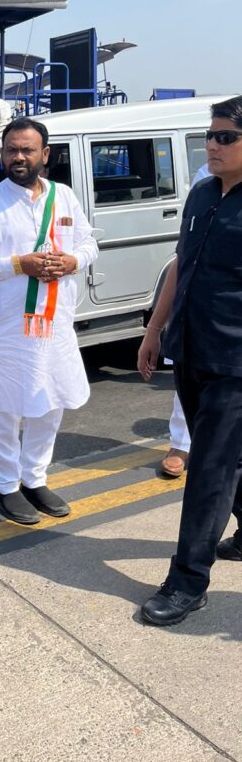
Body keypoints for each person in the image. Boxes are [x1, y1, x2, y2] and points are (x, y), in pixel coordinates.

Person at [0, 118, 99, 525]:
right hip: (6, 330)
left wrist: (74, 260)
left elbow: (90, 242)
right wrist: (19, 264)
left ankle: (34, 478)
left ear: (45, 155)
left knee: (50, 403)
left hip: (55, 326)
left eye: (26, 150)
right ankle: (6, 487)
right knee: (7, 410)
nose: (18, 157)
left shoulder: (64, 197)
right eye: (11, 151)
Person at [137, 95, 242, 625]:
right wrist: (155, 330)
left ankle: (187, 581)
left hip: (236, 364)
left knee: (209, 470)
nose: (213, 145)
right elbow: (182, 263)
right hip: (190, 348)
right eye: (211, 134)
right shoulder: (202, 193)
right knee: (221, 457)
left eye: (226, 137)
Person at [158, 162, 210, 480]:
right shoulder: (206, 177)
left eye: (226, 137)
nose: (215, 145)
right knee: (188, 374)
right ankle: (181, 443)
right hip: (205, 294)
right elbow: (186, 247)